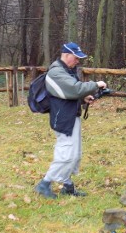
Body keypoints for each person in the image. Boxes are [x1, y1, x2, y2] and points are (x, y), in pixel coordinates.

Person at [34, 42, 107, 199]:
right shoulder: (56, 72)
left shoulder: (67, 70)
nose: (78, 61)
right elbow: (74, 89)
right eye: (76, 58)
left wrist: (83, 99)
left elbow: (68, 95)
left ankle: (67, 185)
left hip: (71, 116)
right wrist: (96, 84)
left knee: (74, 154)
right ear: (66, 56)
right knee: (66, 154)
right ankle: (44, 184)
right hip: (63, 119)